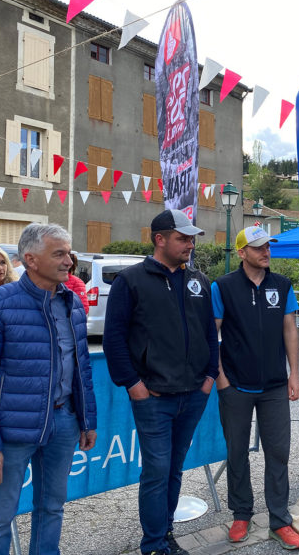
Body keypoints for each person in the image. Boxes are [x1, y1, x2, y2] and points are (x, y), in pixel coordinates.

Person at [0, 223, 97, 554]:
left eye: (69, 253)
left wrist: (87, 419)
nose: (69, 261)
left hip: (64, 423)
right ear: (31, 259)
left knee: (52, 508)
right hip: (11, 432)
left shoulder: (73, 304)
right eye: (59, 253)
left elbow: (81, 368)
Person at [103, 209, 218, 555]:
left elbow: (209, 333)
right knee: (156, 472)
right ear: (160, 239)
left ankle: (165, 535)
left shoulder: (197, 280)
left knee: (174, 470)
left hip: (193, 394)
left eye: (192, 238)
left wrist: (210, 376)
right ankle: (153, 545)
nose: (190, 244)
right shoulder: (130, 281)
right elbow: (113, 339)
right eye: (182, 238)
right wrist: (134, 385)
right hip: (153, 396)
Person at [212, 226, 299, 550]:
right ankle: (242, 513)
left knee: (278, 454)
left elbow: (290, 330)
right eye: (258, 247)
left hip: (275, 387)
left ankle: (280, 519)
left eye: (268, 246)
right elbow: (213, 335)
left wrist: (294, 375)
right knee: (237, 453)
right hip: (235, 386)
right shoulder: (222, 287)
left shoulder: (282, 284)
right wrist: (221, 380)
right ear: (241, 252)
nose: (266, 252)